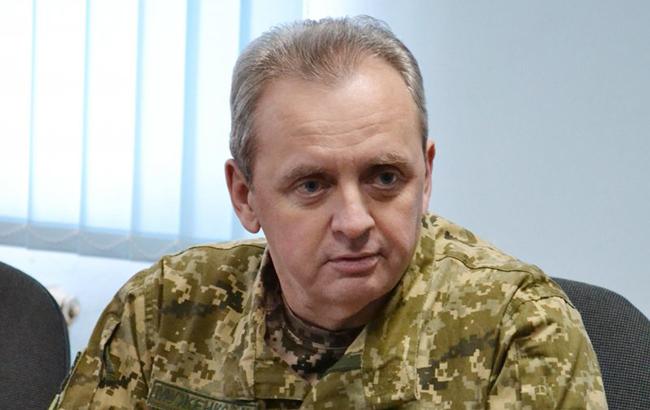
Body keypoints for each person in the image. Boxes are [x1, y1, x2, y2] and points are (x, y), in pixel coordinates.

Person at [50, 16, 607, 409]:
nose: (355, 221)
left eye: (385, 178)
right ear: (245, 196)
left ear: (426, 176)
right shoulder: (163, 309)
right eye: (312, 185)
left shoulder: (518, 331)